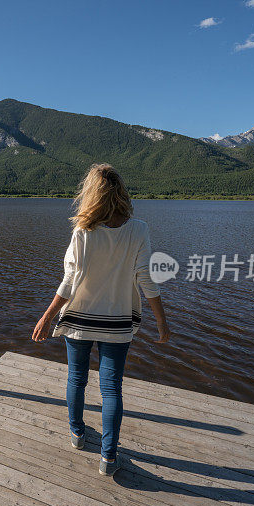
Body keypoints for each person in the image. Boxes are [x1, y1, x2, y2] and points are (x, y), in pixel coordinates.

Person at [31, 163, 170, 477]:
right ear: (121, 193)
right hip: (118, 323)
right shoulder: (139, 230)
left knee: (76, 379)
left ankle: (77, 435)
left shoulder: (83, 231)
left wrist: (47, 316)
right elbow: (147, 280)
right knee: (111, 390)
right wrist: (161, 321)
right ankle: (108, 457)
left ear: (90, 194)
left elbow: (69, 282)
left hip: (79, 320)